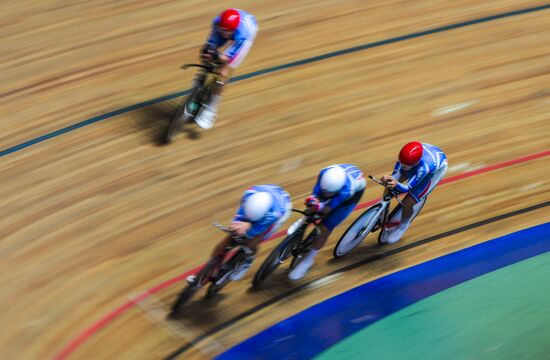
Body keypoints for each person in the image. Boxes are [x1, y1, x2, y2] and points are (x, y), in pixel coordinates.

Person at [188, 185, 291, 284]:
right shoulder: (249, 194)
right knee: (228, 240)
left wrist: (249, 227)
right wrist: (236, 225)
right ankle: (206, 270)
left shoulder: (273, 215)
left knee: (253, 241)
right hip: (261, 199)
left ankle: (247, 261)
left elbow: (257, 229)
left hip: (282, 209)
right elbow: (240, 215)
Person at [289, 164, 366, 280]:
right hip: (334, 183)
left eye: (329, 193)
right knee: (313, 206)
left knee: (325, 228)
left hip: (350, 197)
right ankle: (302, 221)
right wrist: (313, 204)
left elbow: (328, 208)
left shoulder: (347, 190)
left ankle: (308, 260)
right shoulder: (324, 173)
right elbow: (315, 195)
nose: (326, 195)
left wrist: (322, 208)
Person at [193, 8, 258, 130]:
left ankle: (211, 110)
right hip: (229, 25)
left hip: (247, 33)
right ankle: (198, 85)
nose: (222, 32)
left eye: (226, 31)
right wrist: (209, 50)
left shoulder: (243, 34)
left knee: (224, 71)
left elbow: (229, 58)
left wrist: (223, 60)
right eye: (221, 29)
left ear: (233, 30)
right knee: (208, 53)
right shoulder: (217, 22)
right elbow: (212, 41)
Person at [379, 141, 448, 244]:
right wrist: (389, 179)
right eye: (401, 163)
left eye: (405, 165)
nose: (402, 166)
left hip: (433, 173)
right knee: (390, 185)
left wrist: (396, 184)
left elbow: (407, 188)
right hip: (416, 161)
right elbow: (395, 176)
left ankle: (403, 225)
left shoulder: (424, 167)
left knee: (408, 202)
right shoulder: (403, 159)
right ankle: (381, 207)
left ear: (415, 163)